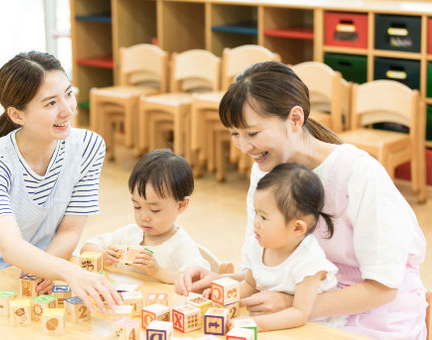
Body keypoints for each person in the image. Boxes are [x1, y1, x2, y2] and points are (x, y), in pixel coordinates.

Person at [175, 61, 427, 339]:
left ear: (295, 119)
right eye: (234, 134)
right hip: (305, 304)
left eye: (252, 133)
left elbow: (384, 287)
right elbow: (261, 269)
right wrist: (219, 280)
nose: (244, 147)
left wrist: (294, 304)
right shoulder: (264, 171)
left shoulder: (358, 174)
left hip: (376, 318)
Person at [0, 51, 121, 313]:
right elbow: (11, 247)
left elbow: (70, 229)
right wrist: (70, 271)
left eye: (69, 94)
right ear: (17, 115)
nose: (67, 109)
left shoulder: (89, 147)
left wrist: (50, 270)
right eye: (51, 103)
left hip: (38, 269)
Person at [208, 162, 344, 331]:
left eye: (264, 217)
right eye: (256, 212)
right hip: (275, 318)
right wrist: (219, 300)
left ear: (297, 228)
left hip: (315, 326)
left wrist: (253, 325)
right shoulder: (257, 245)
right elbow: (250, 286)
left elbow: (299, 313)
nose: (255, 222)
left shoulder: (308, 262)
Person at [80, 148, 210, 283]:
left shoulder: (181, 245)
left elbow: (197, 279)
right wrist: (102, 256)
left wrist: (159, 272)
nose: (144, 217)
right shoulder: (129, 234)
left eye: (154, 210)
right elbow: (86, 248)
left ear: (181, 205)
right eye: (137, 207)